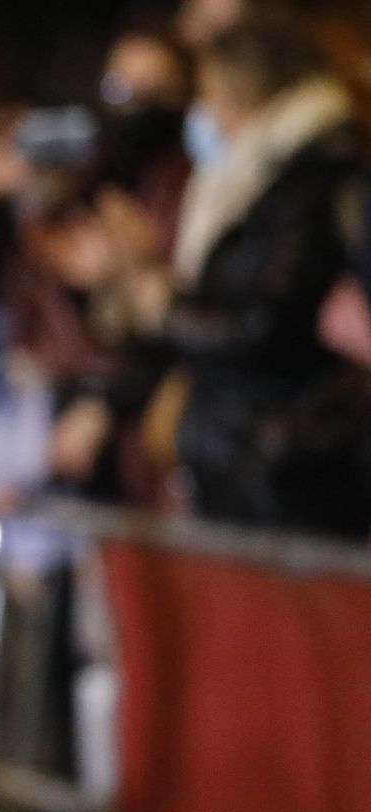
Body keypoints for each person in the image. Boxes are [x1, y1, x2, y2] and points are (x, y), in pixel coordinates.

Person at [121, 17, 370, 535]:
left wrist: (167, 308)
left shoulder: (315, 180)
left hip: (288, 469)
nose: (202, 111)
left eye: (208, 92)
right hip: (243, 462)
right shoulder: (257, 180)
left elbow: (266, 324)